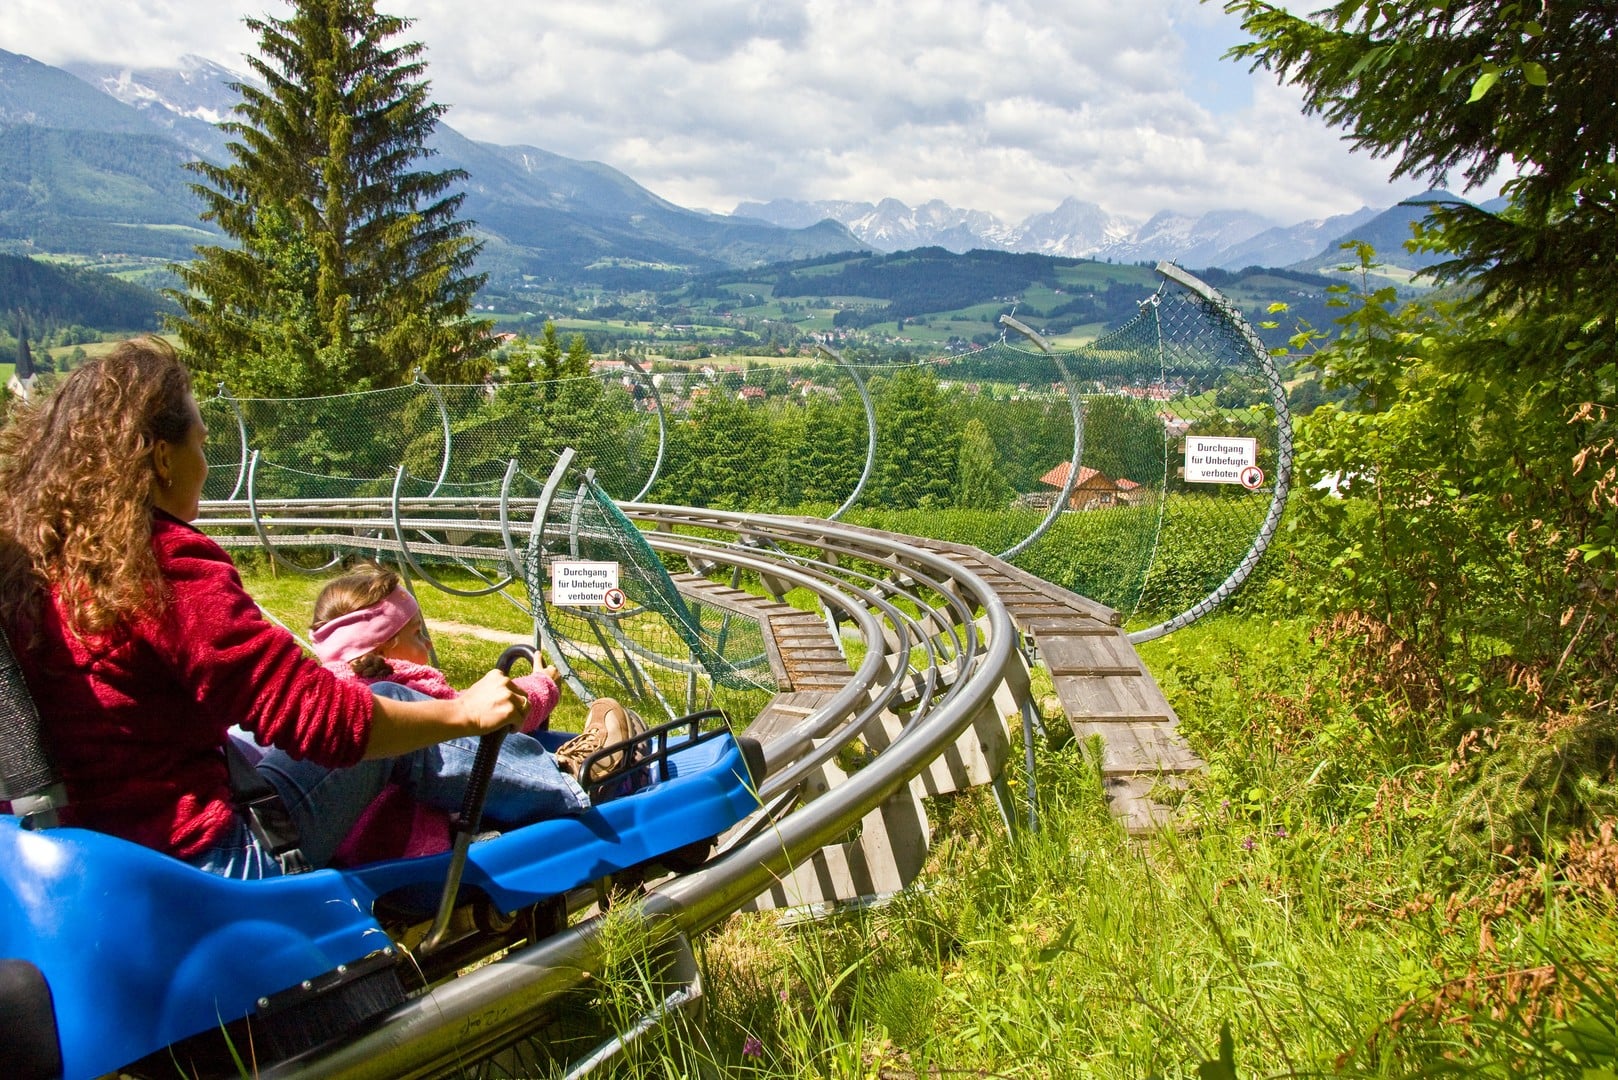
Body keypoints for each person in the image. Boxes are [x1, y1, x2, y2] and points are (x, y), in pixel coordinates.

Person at [0, 337, 588, 880]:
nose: (206, 465)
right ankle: (581, 786)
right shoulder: (161, 567)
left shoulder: (43, 568)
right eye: (202, 444)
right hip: (208, 864)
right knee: (390, 700)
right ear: (160, 457)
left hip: (85, 863)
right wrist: (465, 714)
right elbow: (322, 719)